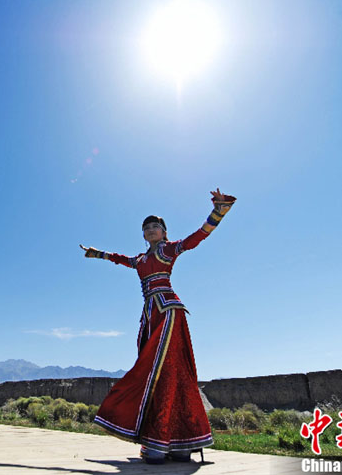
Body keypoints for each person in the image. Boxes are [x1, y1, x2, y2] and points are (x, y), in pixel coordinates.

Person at [80, 189, 236, 464]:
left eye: (156, 227)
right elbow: (120, 258)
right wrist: (97, 254)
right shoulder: (140, 260)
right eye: (147, 228)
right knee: (157, 374)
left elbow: (195, 238)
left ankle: (167, 442)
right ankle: (174, 442)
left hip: (168, 313)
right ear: (143, 235)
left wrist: (218, 212)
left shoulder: (167, 250)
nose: (151, 230)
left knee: (163, 371)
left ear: (164, 233)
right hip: (150, 317)